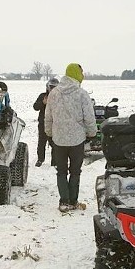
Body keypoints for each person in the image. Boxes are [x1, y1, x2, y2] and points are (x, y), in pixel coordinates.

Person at [44, 63, 97, 212]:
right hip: (77, 141)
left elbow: (48, 116)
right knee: (75, 171)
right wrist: (92, 133)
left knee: (61, 172)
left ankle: (64, 201)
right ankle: (73, 201)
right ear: (77, 75)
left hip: (59, 140)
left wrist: (49, 133)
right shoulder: (82, 94)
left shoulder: (54, 94)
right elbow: (89, 117)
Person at [32, 77, 58, 166]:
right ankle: (40, 160)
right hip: (43, 122)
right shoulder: (43, 96)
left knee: (54, 143)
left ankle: (54, 162)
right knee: (41, 142)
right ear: (47, 86)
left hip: (55, 123)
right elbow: (35, 107)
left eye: (55, 87)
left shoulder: (59, 97)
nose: (52, 89)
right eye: (51, 87)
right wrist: (43, 103)